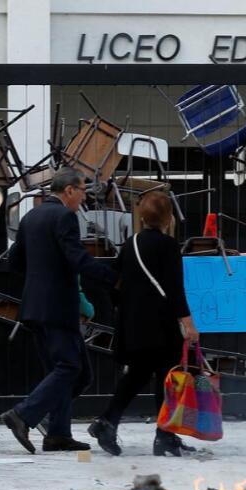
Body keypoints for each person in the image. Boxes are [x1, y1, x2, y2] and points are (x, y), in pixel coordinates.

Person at [0, 167, 117, 453]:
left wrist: (40, 277)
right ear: (69, 191)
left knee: (76, 372)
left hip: (35, 307)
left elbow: (13, 263)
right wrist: (113, 277)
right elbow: (77, 258)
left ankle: (57, 434)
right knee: (69, 367)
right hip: (57, 307)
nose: (83, 199)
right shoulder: (65, 216)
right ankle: (23, 414)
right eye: (82, 192)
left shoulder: (31, 216)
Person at [88, 190, 200, 457]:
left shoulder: (131, 243)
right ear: (168, 218)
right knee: (167, 378)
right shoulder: (169, 246)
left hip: (133, 323)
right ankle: (164, 436)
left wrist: (124, 305)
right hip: (160, 325)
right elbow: (174, 288)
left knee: (138, 375)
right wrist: (188, 323)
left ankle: (108, 423)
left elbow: (112, 280)